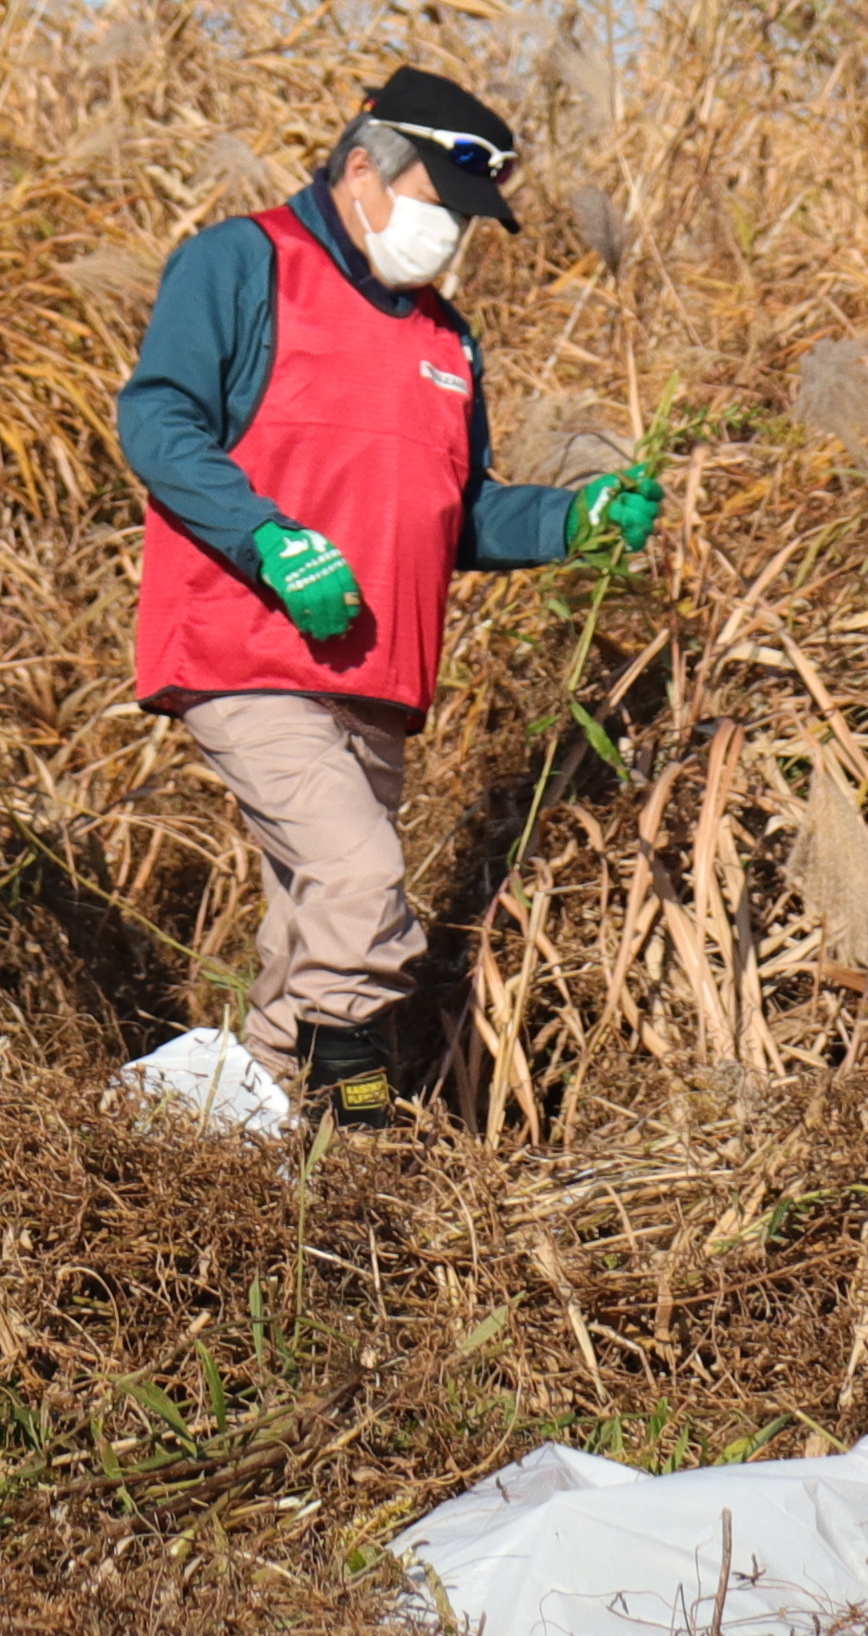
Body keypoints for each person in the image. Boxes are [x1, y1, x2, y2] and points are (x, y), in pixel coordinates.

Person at [115, 68, 660, 1130]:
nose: (449, 234)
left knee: (311, 929)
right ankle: (358, 1111)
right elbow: (159, 424)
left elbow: (456, 516)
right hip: (248, 652)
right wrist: (270, 541)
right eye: (439, 205)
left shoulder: (445, 340)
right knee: (363, 881)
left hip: (377, 678)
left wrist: (576, 519)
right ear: (363, 167)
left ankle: (202, 1148)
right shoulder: (242, 264)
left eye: (466, 220)